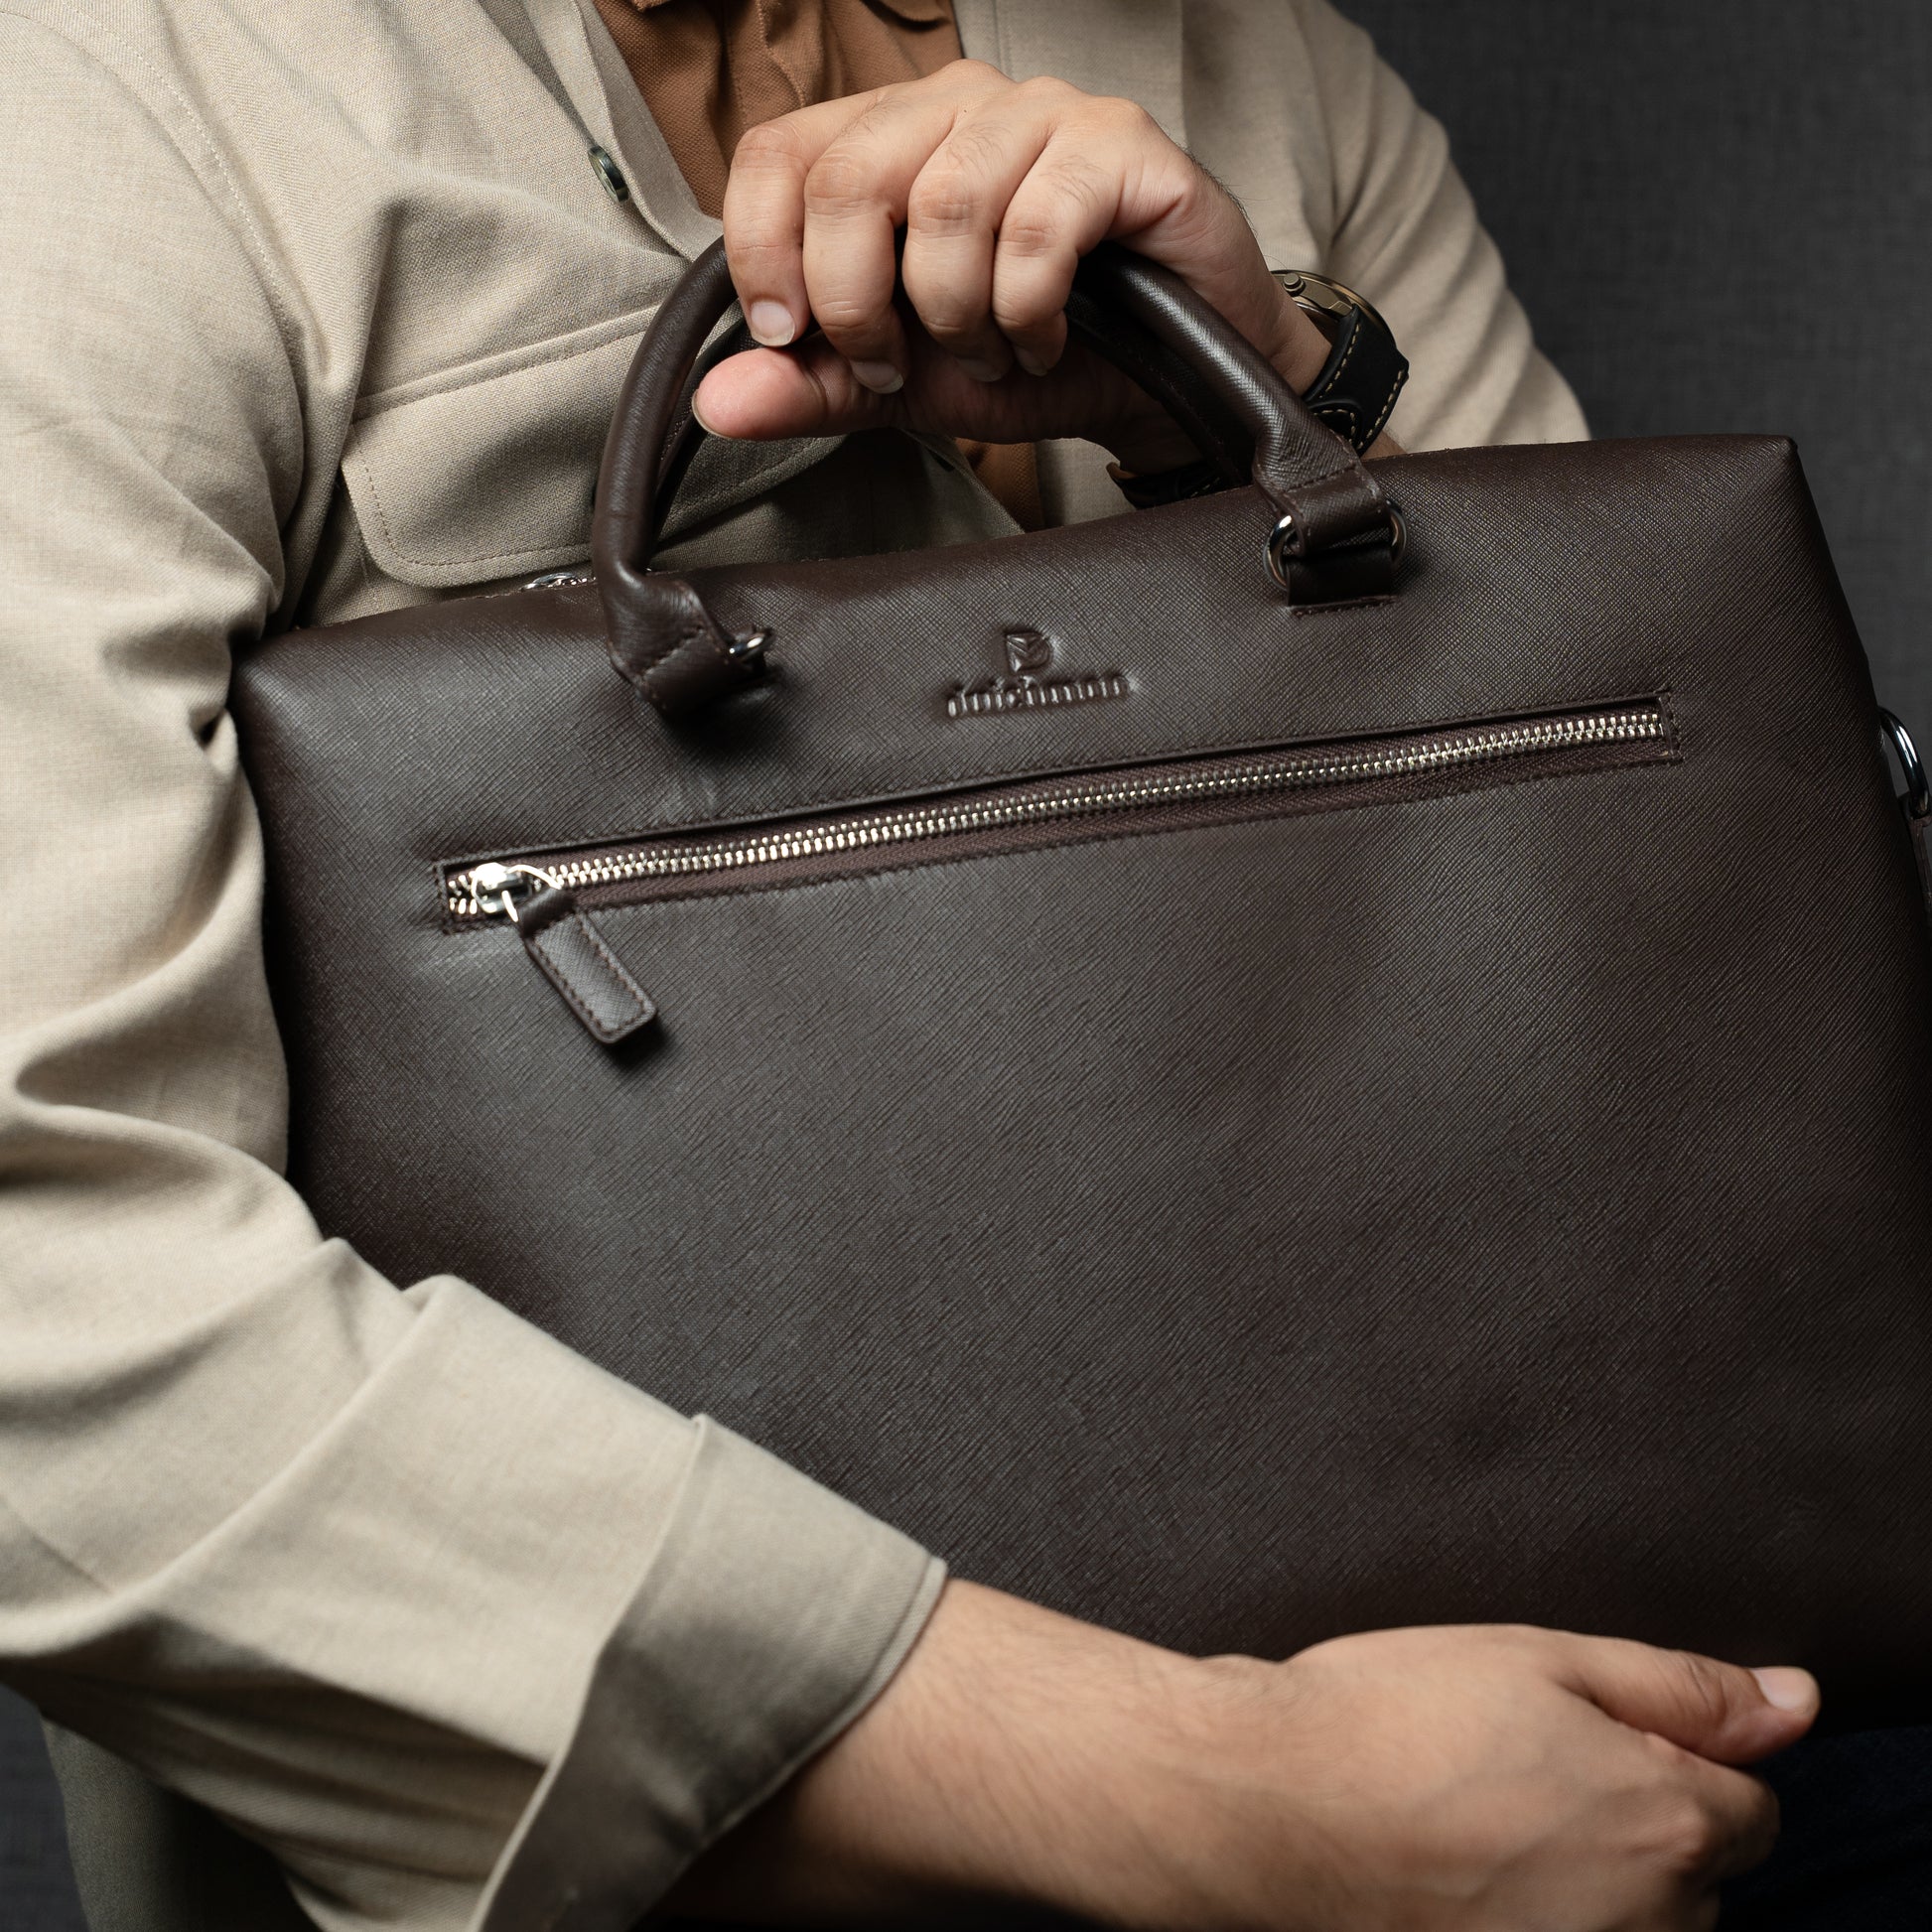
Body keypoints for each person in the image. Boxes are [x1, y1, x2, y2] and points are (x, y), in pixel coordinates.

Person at [0, 4, 1834, 1930]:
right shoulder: (106, 102)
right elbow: (55, 1303)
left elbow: (1665, 897)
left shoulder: (1269, 56)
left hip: (1625, 1747)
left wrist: (1261, 399)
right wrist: (1213, 1795)